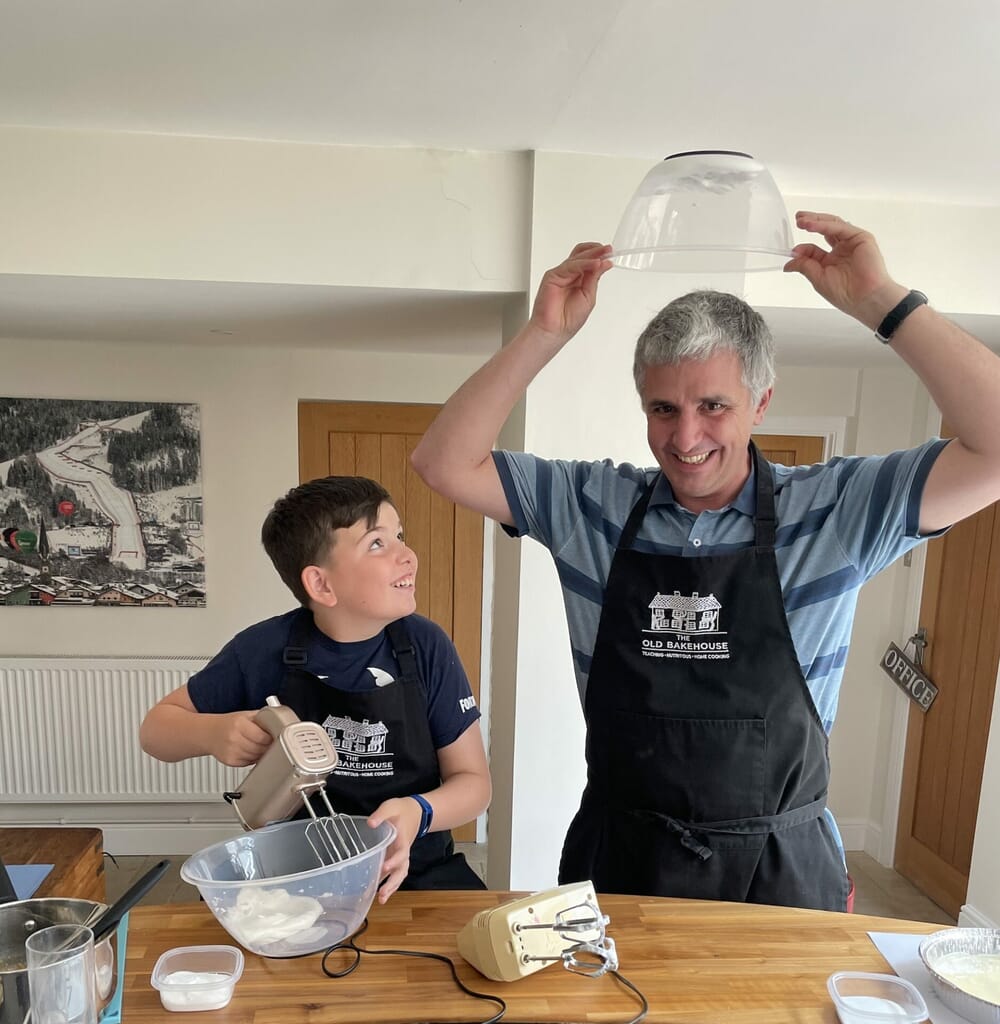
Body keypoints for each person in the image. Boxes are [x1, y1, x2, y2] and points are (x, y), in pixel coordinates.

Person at [410, 211, 1000, 911]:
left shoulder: (837, 510)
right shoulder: (588, 507)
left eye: (713, 405)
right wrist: (544, 335)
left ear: (762, 403)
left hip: (781, 873)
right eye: (663, 408)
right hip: (621, 859)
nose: (685, 437)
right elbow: (442, 463)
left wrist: (885, 303)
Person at [140, 475, 490, 901]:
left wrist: (422, 810)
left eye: (400, 535)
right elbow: (155, 731)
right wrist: (213, 733)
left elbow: (474, 785)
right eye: (378, 543)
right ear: (321, 584)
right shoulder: (262, 649)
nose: (408, 556)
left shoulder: (426, 647)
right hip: (295, 879)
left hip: (411, 872)